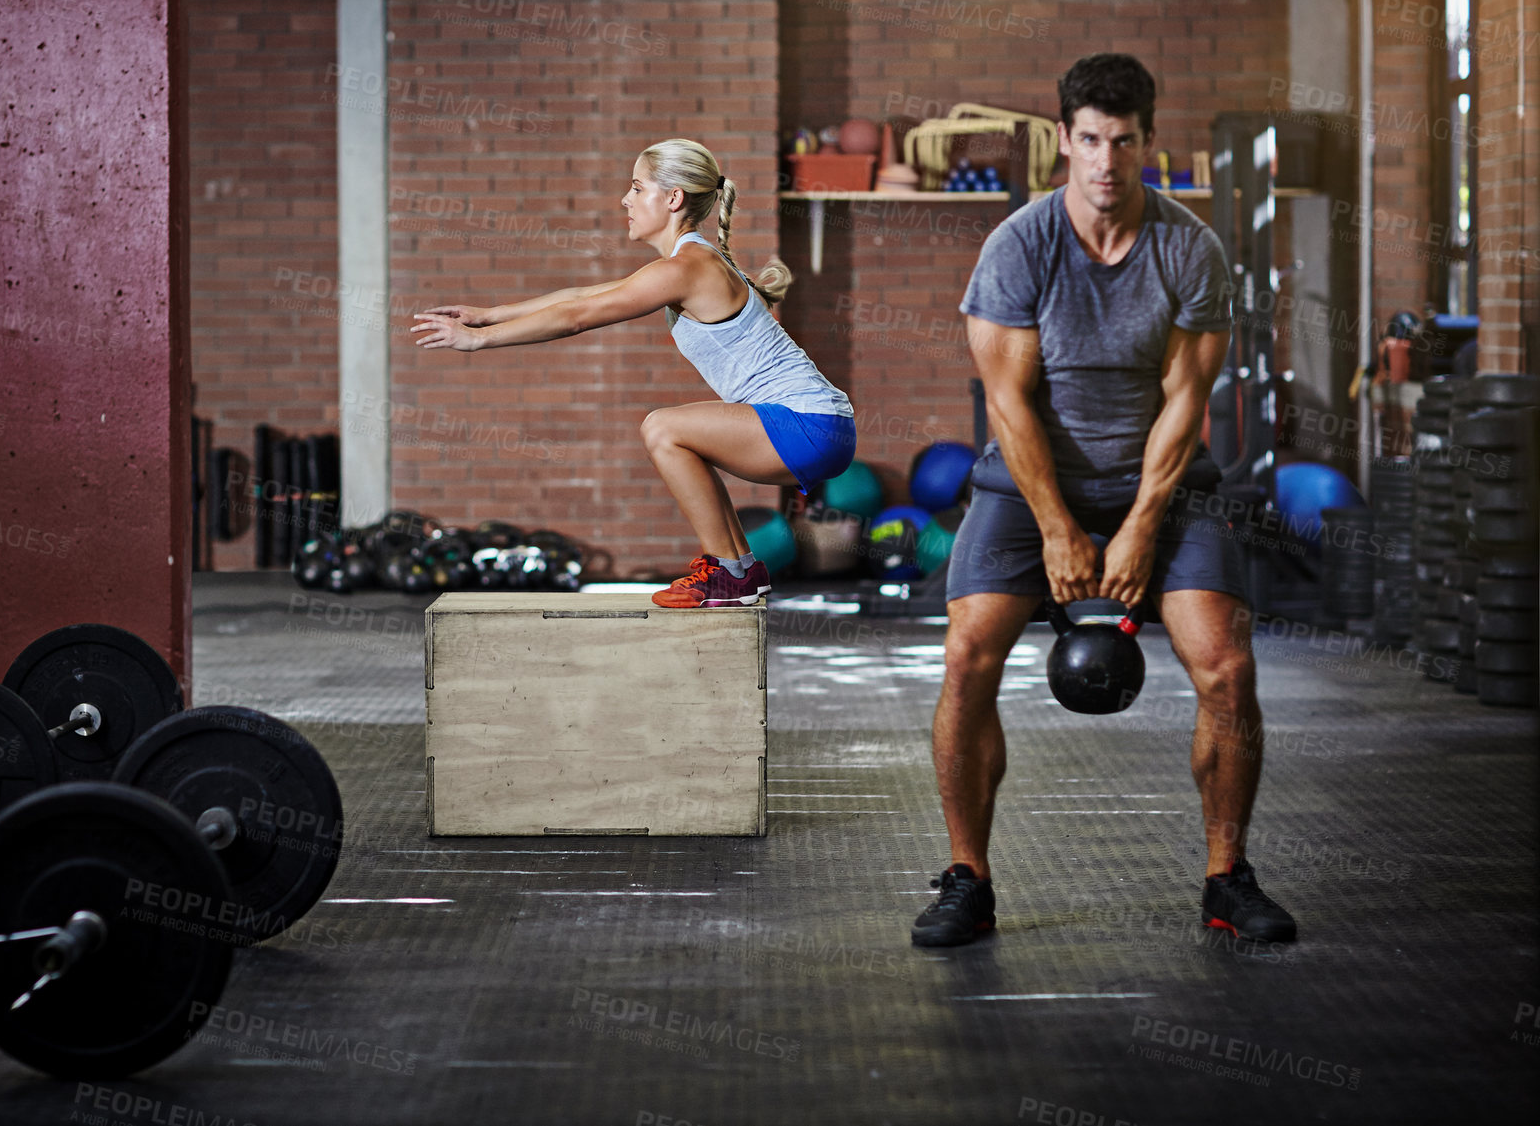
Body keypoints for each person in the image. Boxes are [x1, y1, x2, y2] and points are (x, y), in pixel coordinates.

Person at [912, 54, 1297, 948]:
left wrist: (1136, 530)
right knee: (968, 654)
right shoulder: (1019, 245)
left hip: (1160, 486)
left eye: (1123, 142)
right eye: (1089, 140)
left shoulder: (1188, 249)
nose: (1106, 163)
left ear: (1149, 142)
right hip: (1025, 481)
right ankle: (968, 875)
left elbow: (1185, 405)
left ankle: (1226, 876)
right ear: (1064, 141)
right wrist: (1057, 529)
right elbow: (1006, 405)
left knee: (1227, 669)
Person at [411, 138, 855, 608]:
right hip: (818, 424)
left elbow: (577, 318)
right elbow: (581, 295)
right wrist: (488, 314)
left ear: (673, 198)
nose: (625, 198)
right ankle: (741, 571)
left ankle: (729, 572)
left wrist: (479, 341)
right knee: (676, 433)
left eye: (637, 186)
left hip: (810, 425)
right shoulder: (688, 261)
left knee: (664, 428)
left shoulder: (688, 266)